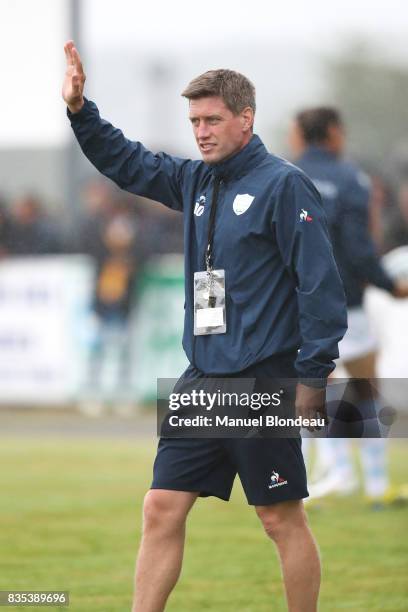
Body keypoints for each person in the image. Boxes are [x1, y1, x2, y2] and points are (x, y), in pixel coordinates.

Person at [63, 41, 348, 612]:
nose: (201, 132)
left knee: (278, 517)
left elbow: (320, 286)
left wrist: (313, 377)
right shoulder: (195, 181)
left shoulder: (283, 185)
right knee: (160, 507)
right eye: (194, 121)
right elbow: (127, 161)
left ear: (246, 118)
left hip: (261, 378)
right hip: (202, 378)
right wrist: (80, 111)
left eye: (212, 119)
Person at [289, 107, 408, 507]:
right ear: (334, 133)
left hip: (297, 300)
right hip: (346, 302)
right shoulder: (351, 178)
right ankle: (372, 483)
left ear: (300, 135)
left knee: (307, 390)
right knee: (365, 387)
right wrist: (390, 284)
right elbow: (359, 249)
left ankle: (302, 485)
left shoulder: (282, 174)